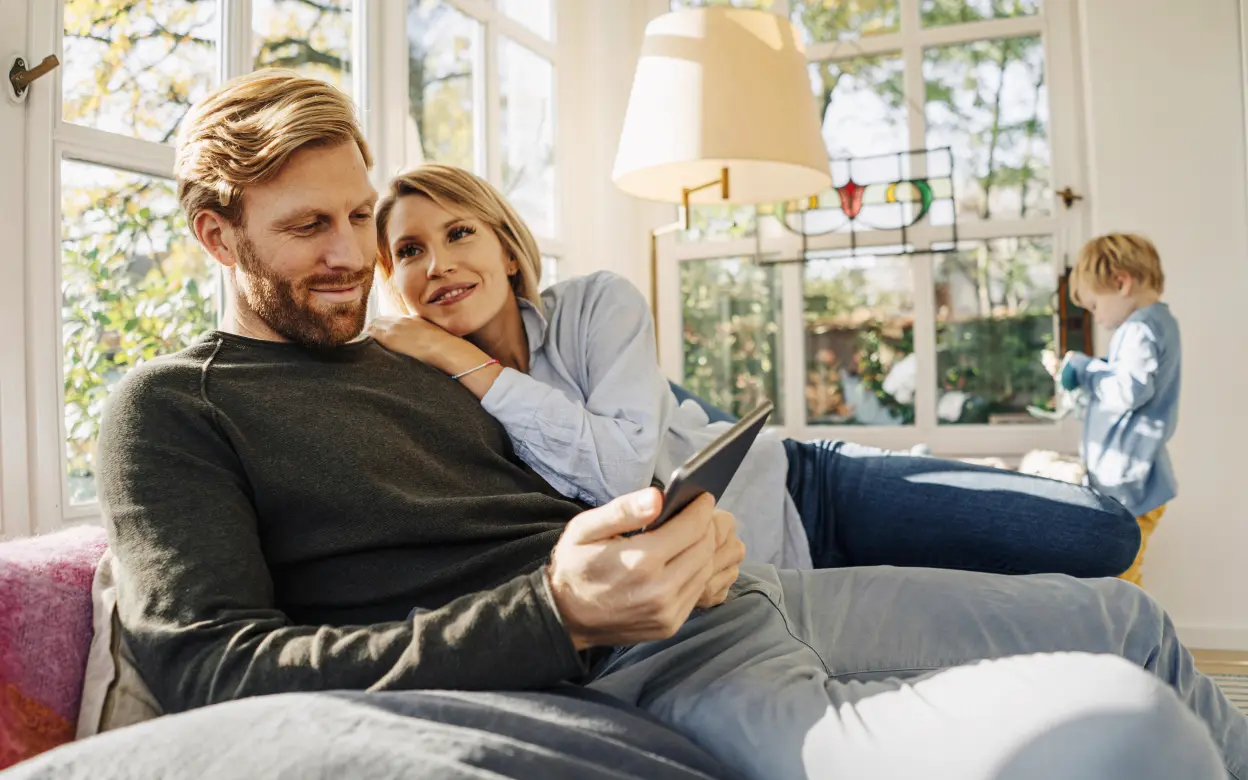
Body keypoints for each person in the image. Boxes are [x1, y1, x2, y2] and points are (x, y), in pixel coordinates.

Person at [98, 70, 1245, 780]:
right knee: (1124, 731)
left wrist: (678, 529)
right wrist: (557, 613)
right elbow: (216, 665)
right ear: (215, 233)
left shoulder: (414, 356)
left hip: (743, 590)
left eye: (360, 217)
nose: (354, 255)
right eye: (311, 228)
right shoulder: (173, 406)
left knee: (1130, 621)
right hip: (628, 666)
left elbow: (578, 475)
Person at [367, 163, 1141, 578]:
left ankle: (922, 470)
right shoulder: (422, 399)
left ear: (507, 250)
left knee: (1099, 535)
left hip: (807, 491)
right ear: (393, 279)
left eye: (459, 233)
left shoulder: (596, 303)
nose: (437, 264)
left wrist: (461, 357)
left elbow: (623, 474)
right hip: (747, 573)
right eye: (409, 251)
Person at [1060, 233, 1181, 586]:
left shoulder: (1140, 328)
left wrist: (1085, 369)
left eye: (1094, 305)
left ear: (1121, 283)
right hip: (1133, 480)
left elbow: (1128, 391)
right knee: (1119, 577)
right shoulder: (1157, 323)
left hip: (1132, 484)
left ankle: (1131, 625)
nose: (1095, 317)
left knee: (1119, 581)